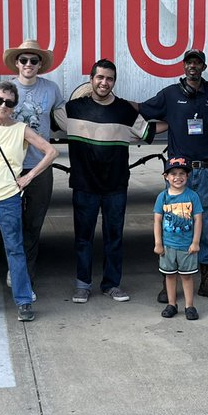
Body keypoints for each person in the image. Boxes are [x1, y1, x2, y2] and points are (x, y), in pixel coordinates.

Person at [140, 49, 208, 302]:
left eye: (197, 63)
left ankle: (207, 283)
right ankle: (168, 283)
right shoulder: (170, 95)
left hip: (205, 172)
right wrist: (115, 102)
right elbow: (142, 109)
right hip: (178, 174)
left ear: (203, 67)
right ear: (183, 67)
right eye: (189, 63)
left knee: (205, 227)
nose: (193, 66)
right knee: (173, 226)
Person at [55, 59, 154, 304]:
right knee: (83, 238)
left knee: (114, 238)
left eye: (109, 78)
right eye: (99, 77)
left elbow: (148, 133)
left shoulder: (126, 111)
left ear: (114, 82)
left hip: (116, 186)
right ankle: (82, 285)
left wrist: (178, 119)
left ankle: (112, 284)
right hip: (83, 185)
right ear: (91, 80)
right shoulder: (71, 109)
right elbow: (39, 117)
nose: (104, 82)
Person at [0, 81, 58, 322]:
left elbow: (51, 152)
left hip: (8, 197)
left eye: (9, 102)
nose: (3, 106)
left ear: (15, 106)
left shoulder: (22, 129)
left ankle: (24, 300)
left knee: (14, 248)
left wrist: (29, 176)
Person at [4, 39, 64, 290]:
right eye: (24, 60)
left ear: (40, 65)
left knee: (34, 222)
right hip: (11, 166)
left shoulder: (51, 89)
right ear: (17, 63)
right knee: (11, 222)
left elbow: (62, 116)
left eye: (34, 60)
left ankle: (25, 276)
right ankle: (14, 267)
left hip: (40, 166)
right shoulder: (6, 89)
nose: (29, 64)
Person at [153, 156, 203, 321]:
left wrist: (195, 242)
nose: (178, 177)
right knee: (170, 275)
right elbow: (157, 220)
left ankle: (189, 306)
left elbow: (198, 220)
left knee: (187, 276)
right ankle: (172, 304)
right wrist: (158, 243)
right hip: (168, 246)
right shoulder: (162, 197)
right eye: (173, 173)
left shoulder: (192, 196)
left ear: (188, 176)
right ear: (166, 176)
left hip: (187, 246)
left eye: (182, 173)